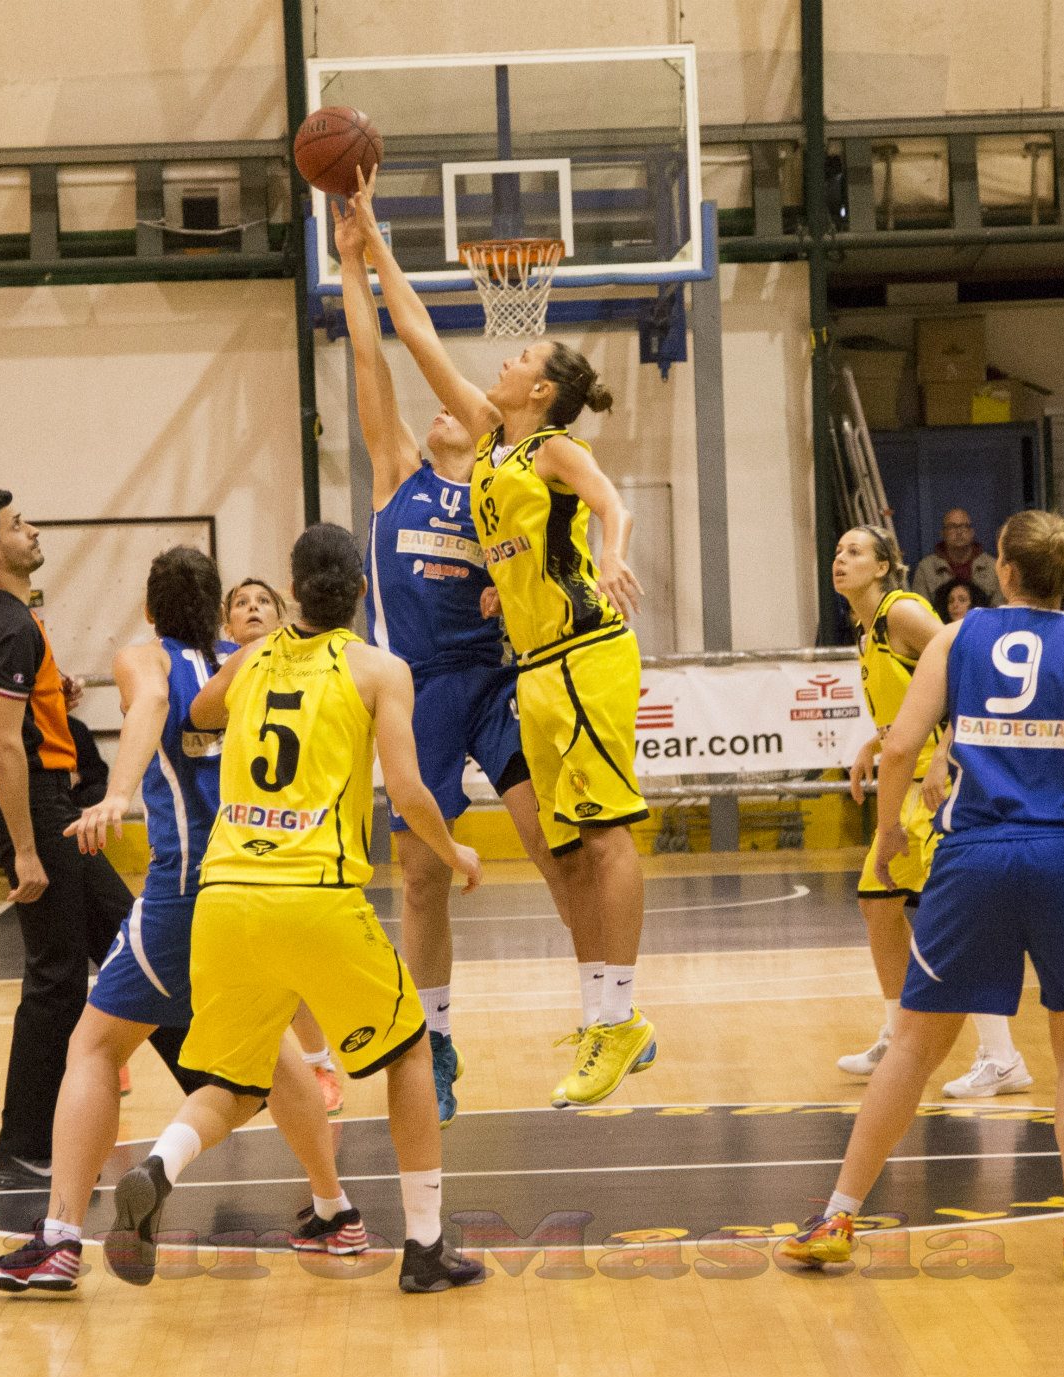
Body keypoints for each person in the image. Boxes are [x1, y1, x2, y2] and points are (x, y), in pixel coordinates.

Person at [105, 524, 487, 1294]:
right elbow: (409, 791)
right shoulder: (380, 668)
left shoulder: (250, 658)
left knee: (238, 1080)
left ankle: (158, 1166)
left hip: (224, 897)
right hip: (314, 893)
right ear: (361, 591)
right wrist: (455, 852)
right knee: (409, 1051)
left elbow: (198, 717)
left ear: (293, 588)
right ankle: (425, 1244)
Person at [0, 547, 363, 1293]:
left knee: (93, 1046)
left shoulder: (145, 656)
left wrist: (118, 792)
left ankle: (56, 1240)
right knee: (274, 1051)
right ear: (218, 608)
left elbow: (150, 703)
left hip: (187, 888)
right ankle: (334, 1211)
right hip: (265, 879)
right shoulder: (250, 665)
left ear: (151, 609)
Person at [357, 173, 657, 1108]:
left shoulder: (546, 449)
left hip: (556, 660)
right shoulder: (475, 449)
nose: (503, 361)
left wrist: (612, 552)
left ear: (548, 389)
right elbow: (412, 335)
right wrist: (365, 233)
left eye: (524, 354)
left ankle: (613, 1015)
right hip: (508, 672)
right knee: (514, 856)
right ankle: (570, 1022)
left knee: (587, 840)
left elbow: (611, 497)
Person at [779, 510, 1064, 1279]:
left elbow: (903, 744)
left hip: (972, 852)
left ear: (1000, 569)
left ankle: (838, 1214)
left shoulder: (955, 635)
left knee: (911, 1046)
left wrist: (886, 835)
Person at [0, 490, 135, 1190]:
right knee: (57, 974)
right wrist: (26, 846)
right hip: (33, 806)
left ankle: (213, 1084)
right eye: (17, 525)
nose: (33, 529)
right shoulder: (9, 625)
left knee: (126, 938)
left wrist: (49, 697)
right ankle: (21, 1144)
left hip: (34, 802)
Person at [832, 526, 1031, 1098]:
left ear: (885, 565)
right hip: (908, 783)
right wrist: (877, 741)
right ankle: (897, 1032)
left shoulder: (905, 614)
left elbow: (970, 673)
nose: (841, 560)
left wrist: (947, 752)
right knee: (878, 904)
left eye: (855, 553)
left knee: (953, 918)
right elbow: (915, 701)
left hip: (938, 789)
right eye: (838, 552)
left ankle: (1002, 1056)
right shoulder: (867, 631)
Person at [225, 575, 345, 1116]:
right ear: (226, 625)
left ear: (283, 614)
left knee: (292, 968)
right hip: (225, 837)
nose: (252, 609)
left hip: (293, 839)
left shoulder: (309, 668)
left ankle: (319, 1063)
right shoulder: (223, 672)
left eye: (262, 602)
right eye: (240, 604)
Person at [910, 509, 1004, 608]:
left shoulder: (992, 567)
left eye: (964, 526)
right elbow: (921, 610)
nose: (959, 532)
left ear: (972, 532)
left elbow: (998, 609)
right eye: (952, 527)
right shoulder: (926, 569)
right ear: (943, 533)